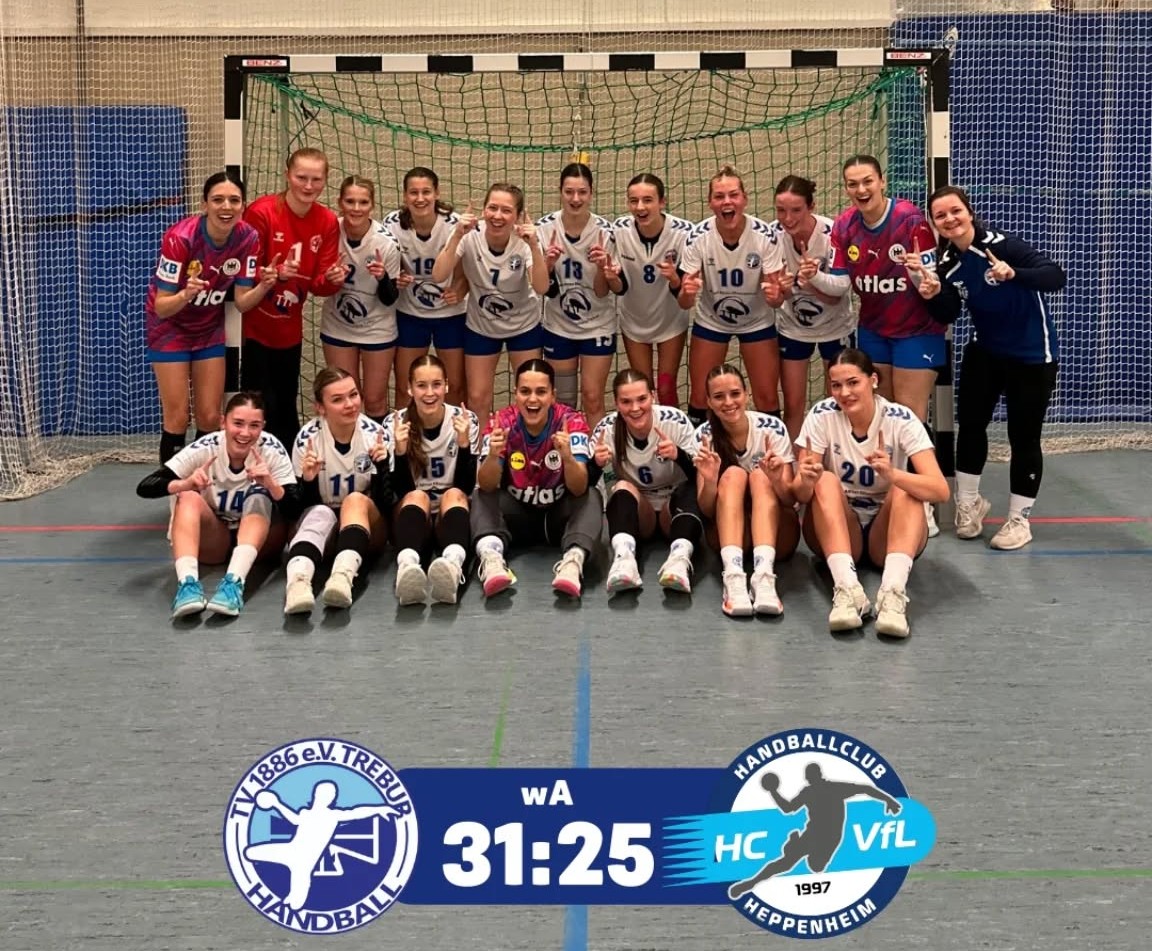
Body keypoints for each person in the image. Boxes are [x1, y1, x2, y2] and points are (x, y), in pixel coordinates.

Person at [917, 185, 1065, 550]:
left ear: (969, 212)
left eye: (955, 211)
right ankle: (969, 505)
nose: (950, 219)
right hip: (986, 351)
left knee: (1023, 437)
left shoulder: (1003, 245)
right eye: (940, 215)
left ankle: (1019, 520)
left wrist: (1014, 273)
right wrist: (932, 296)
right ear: (934, 223)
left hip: (1032, 355)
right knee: (970, 426)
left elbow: (1055, 276)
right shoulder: (947, 263)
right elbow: (949, 312)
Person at [817, 155, 947, 536]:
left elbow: (930, 277)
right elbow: (840, 284)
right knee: (879, 414)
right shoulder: (844, 225)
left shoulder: (909, 219)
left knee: (909, 415)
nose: (861, 190)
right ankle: (887, 497)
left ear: (882, 182)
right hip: (873, 329)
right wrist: (809, 279)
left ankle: (919, 502)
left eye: (867, 181)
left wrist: (918, 274)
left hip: (917, 330)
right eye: (853, 184)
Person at [793, 349, 950, 637]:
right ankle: (847, 591)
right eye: (836, 385)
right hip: (841, 529)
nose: (844, 393)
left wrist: (893, 475)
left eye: (853, 382)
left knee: (906, 488)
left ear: (873, 380)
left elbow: (940, 490)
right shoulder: (821, 415)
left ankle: (892, 596)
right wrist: (805, 480)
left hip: (887, 532)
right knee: (824, 480)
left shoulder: (900, 419)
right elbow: (801, 496)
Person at [145, 172, 276, 464]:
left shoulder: (248, 238)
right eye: (218, 200)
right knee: (178, 416)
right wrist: (185, 295)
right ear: (205, 204)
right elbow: (161, 307)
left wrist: (265, 286)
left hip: (208, 330)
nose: (226, 207)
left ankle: (204, 482)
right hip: (170, 330)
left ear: (243, 205)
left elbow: (242, 302)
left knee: (209, 415)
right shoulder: (180, 238)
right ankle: (173, 487)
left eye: (234, 200)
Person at [136, 392, 297, 618]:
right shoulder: (206, 447)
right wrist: (186, 483)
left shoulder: (271, 450)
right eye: (238, 423)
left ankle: (234, 584)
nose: (245, 433)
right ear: (223, 422)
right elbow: (146, 486)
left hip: (262, 545)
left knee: (259, 494)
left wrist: (271, 485)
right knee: (187, 496)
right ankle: (187, 585)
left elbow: (294, 508)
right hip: (215, 541)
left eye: (254, 425)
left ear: (263, 427)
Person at [470, 359, 602, 599]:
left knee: (591, 495)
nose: (532, 399)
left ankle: (573, 563)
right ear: (516, 394)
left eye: (541, 392)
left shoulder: (571, 421)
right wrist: (493, 456)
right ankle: (492, 560)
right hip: (518, 519)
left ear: (553, 396)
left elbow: (579, 487)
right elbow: (487, 484)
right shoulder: (502, 422)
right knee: (481, 495)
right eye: (525, 391)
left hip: (557, 519)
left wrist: (568, 458)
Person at [242, 147, 345, 448]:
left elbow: (319, 284)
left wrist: (333, 280)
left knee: (286, 406)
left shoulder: (327, 221)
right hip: (254, 329)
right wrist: (273, 273)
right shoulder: (261, 212)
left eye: (316, 179)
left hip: (289, 331)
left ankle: (288, 471)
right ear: (287, 175)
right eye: (301, 177)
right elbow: (243, 271)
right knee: (259, 406)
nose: (308, 186)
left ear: (325, 180)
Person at [431, 183, 549, 432]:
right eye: (492, 208)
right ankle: (480, 451)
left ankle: (525, 449)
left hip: (523, 326)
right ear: (483, 210)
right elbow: (439, 275)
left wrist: (535, 246)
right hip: (481, 326)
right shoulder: (469, 235)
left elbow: (541, 287)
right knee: (477, 398)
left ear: (517, 216)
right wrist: (457, 235)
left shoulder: (525, 241)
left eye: (506, 210)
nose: (497, 216)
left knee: (530, 397)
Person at [679, 166, 786, 425]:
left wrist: (776, 295)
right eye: (719, 196)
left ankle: (767, 448)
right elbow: (684, 302)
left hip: (757, 320)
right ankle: (700, 448)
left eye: (733, 195)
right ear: (710, 203)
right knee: (700, 396)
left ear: (744, 199)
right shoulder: (698, 237)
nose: (727, 201)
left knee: (767, 397)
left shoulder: (765, 236)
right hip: (712, 319)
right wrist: (686, 293)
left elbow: (777, 300)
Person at [282, 368, 392, 615]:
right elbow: (296, 509)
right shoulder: (307, 439)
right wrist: (308, 481)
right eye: (338, 399)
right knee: (319, 512)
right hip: (324, 531)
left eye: (353, 395)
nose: (350, 404)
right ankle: (298, 584)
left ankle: (342, 578)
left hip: (365, 530)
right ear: (320, 408)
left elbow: (387, 504)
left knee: (355, 500)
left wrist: (382, 467)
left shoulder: (376, 435)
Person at [693, 364, 798, 617]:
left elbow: (789, 499)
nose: (728, 402)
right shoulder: (703, 436)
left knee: (760, 475)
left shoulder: (772, 428)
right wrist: (710, 481)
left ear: (747, 394)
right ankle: (733, 579)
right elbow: (706, 509)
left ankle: (764, 578)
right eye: (719, 396)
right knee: (733, 474)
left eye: (735, 393)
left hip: (777, 534)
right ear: (708, 402)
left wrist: (777, 479)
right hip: (731, 535)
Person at [590, 369, 703, 594]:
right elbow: (587, 484)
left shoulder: (675, 421)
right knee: (621, 488)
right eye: (626, 402)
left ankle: (679, 561)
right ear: (616, 403)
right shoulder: (606, 429)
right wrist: (596, 464)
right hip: (641, 513)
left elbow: (700, 476)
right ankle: (624, 561)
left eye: (642, 399)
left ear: (653, 396)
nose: (635, 408)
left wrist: (679, 455)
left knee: (691, 488)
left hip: (674, 508)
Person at [763, 175, 856, 440]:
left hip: (836, 326)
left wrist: (812, 280)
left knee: (838, 403)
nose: (788, 218)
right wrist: (780, 292)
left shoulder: (833, 233)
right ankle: (793, 462)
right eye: (781, 210)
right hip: (793, 328)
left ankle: (835, 459)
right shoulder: (772, 236)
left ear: (811, 206)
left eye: (796, 210)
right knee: (793, 406)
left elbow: (838, 294)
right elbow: (776, 300)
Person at [386, 355, 479, 605]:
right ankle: (406, 568)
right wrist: (400, 452)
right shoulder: (395, 424)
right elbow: (400, 493)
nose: (429, 393)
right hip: (415, 518)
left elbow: (466, 488)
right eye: (421, 385)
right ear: (409, 388)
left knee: (454, 494)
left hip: (451, 515)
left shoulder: (465, 420)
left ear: (446, 385)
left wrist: (464, 445)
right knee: (417, 496)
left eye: (436, 384)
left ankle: (453, 567)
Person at [536, 162, 622, 425]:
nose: (575, 199)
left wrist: (603, 268)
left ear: (591, 193)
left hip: (597, 326)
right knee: (562, 401)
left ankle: (597, 451)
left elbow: (602, 292)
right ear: (560, 192)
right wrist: (547, 264)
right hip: (559, 326)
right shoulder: (543, 229)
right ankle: (562, 449)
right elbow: (541, 288)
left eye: (582, 192)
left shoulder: (605, 232)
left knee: (593, 397)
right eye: (569, 192)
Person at [318, 175, 403, 422]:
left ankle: (379, 446)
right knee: (343, 398)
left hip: (377, 327)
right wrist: (329, 278)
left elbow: (390, 299)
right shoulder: (330, 231)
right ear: (340, 203)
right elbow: (316, 283)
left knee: (374, 399)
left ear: (372, 205)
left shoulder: (386, 243)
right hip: (338, 326)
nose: (356, 208)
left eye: (363, 202)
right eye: (350, 201)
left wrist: (382, 277)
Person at [385, 167, 469, 410]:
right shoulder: (392, 224)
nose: (420, 198)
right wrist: (397, 277)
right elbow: (390, 269)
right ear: (405, 196)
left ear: (437, 193)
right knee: (405, 388)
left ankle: (454, 433)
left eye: (426, 192)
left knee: (455, 387)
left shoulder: (454, 225)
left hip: (450, 315)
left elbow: (467, 273)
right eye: (414, 192)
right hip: (410, 314)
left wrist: (459, 290)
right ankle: (404, 433)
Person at [611, 173, 693, 409]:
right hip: (634, 320)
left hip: (670, 320)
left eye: (647, 200)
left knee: (666, 387)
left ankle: (673, 432)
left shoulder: (684, 233)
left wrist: (674, 279)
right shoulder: (618, 230)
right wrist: (611, 276)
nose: (640, 207)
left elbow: (684, 294)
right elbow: (619, 287)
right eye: (633, 201)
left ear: (662, 202)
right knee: (642, 388)